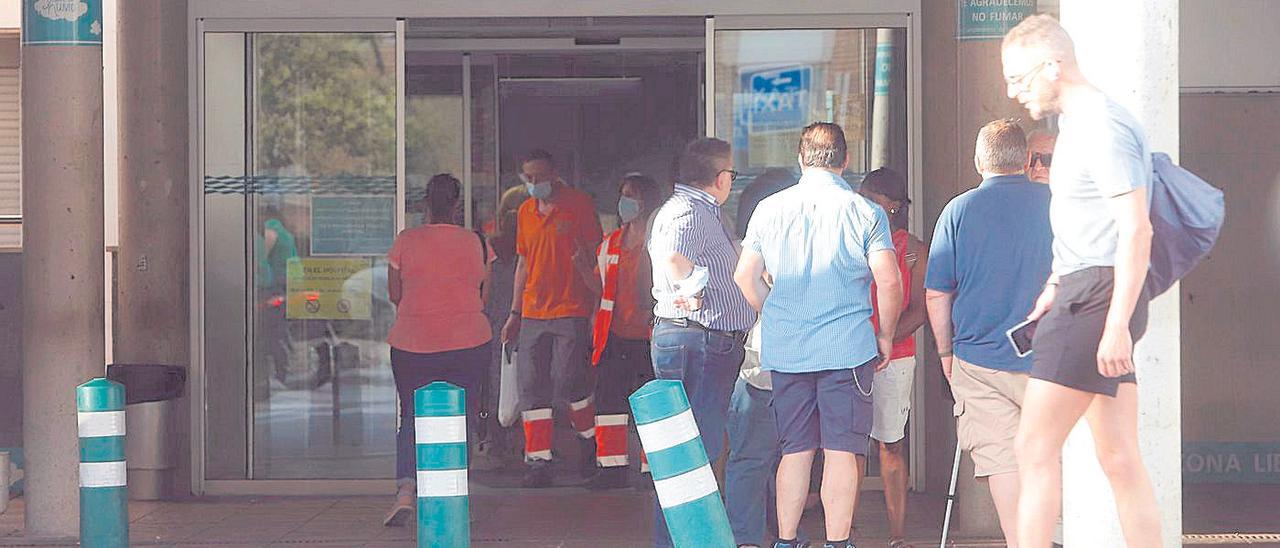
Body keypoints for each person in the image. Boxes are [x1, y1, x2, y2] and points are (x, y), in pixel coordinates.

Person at [1002, 15, 1161, 548]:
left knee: (1033, 447)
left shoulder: (1099, 124)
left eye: (1020, 78)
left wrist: (1115, 324)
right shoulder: (1081, 124)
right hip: (1088, 292)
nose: (1012, 91)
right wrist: (1056, 279)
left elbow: (1137, 228)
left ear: (1053, 64)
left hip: (1095, 299)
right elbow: (1094, 224)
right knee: (1118, 456)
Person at [735, 122, 903, 548]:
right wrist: (885, 334)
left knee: (795, 450)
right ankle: (836, 542)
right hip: (848, 349)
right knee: (842, 451)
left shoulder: (769, 209)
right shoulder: (867, 212)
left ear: (801, 159)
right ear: (845, 161)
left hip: (788, 350)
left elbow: (744, 277)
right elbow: (889, 279)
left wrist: (773, 313)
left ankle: (787, 540)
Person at [924, 119, 1053, 546]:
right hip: (1049, 359)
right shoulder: (1057, 203)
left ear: (979, 160)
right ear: (1027, 159)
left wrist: (946, 354)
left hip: (978, 360)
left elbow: (937, 294)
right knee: (1053, 455)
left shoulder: (958, 210)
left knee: (1002, 462)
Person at [648, 137, 757, 548]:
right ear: (718, 177)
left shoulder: (695, 209)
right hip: (700, 339)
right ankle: (683, 540)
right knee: (693, 451)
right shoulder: (689, 212)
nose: (732, 179)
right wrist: (694, 287)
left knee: (690, 449)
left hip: (702, 339)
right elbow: (673, 255)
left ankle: (682, 539)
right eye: (731, 172)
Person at [383, 174, 493, 526]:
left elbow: (394, 293)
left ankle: (405, 492)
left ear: (424, 203)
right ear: (458, 205)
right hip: (469, 341)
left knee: (412, 416)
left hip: (413, 342)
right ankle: (453, 491)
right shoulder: (477, 243)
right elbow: (484, 296)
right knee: (462, 416)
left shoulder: (406, 241)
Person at [500, 149, 604, 488]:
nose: (533, 184)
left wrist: (595, 306)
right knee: (531, 388)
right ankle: (539, 460)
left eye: (539, 177)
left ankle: (590, 443)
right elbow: (523, 265)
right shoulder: (526, 212)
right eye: (527, 178)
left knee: (568, 381)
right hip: (532, 312)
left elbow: (595, 257)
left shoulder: (578, 205)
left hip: (571, 309)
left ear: (553, 173)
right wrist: (514, 313)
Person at [855, 167, 928, 548]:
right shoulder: (849, 239)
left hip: (895, 356)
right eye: (862, 198)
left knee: (891, 444)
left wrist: (883, 339)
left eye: (875, 202)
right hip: (849, 354)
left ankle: (897, 536)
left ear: (894, 206)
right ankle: (842, 534)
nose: (864, 207)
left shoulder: (913, 247)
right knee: (846, 447)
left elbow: (920, 310)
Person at [725, 169, 797, 548]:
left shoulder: (737, 252)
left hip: (754, 369)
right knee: (793, 457)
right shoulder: (792, 249)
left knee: (750, 459)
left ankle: (748, 538)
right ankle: (784, 534)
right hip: (788, 367)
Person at [587, 173, 663, 489]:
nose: (625, 201)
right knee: (608, 403)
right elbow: (599, 287)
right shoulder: (611, 243)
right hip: (614, 335)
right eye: (623, 194)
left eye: (631, 194)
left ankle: (652, 469)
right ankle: (611, 468)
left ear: (647, 200)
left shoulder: (660, 240)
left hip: (650, 336)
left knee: (651, 403)